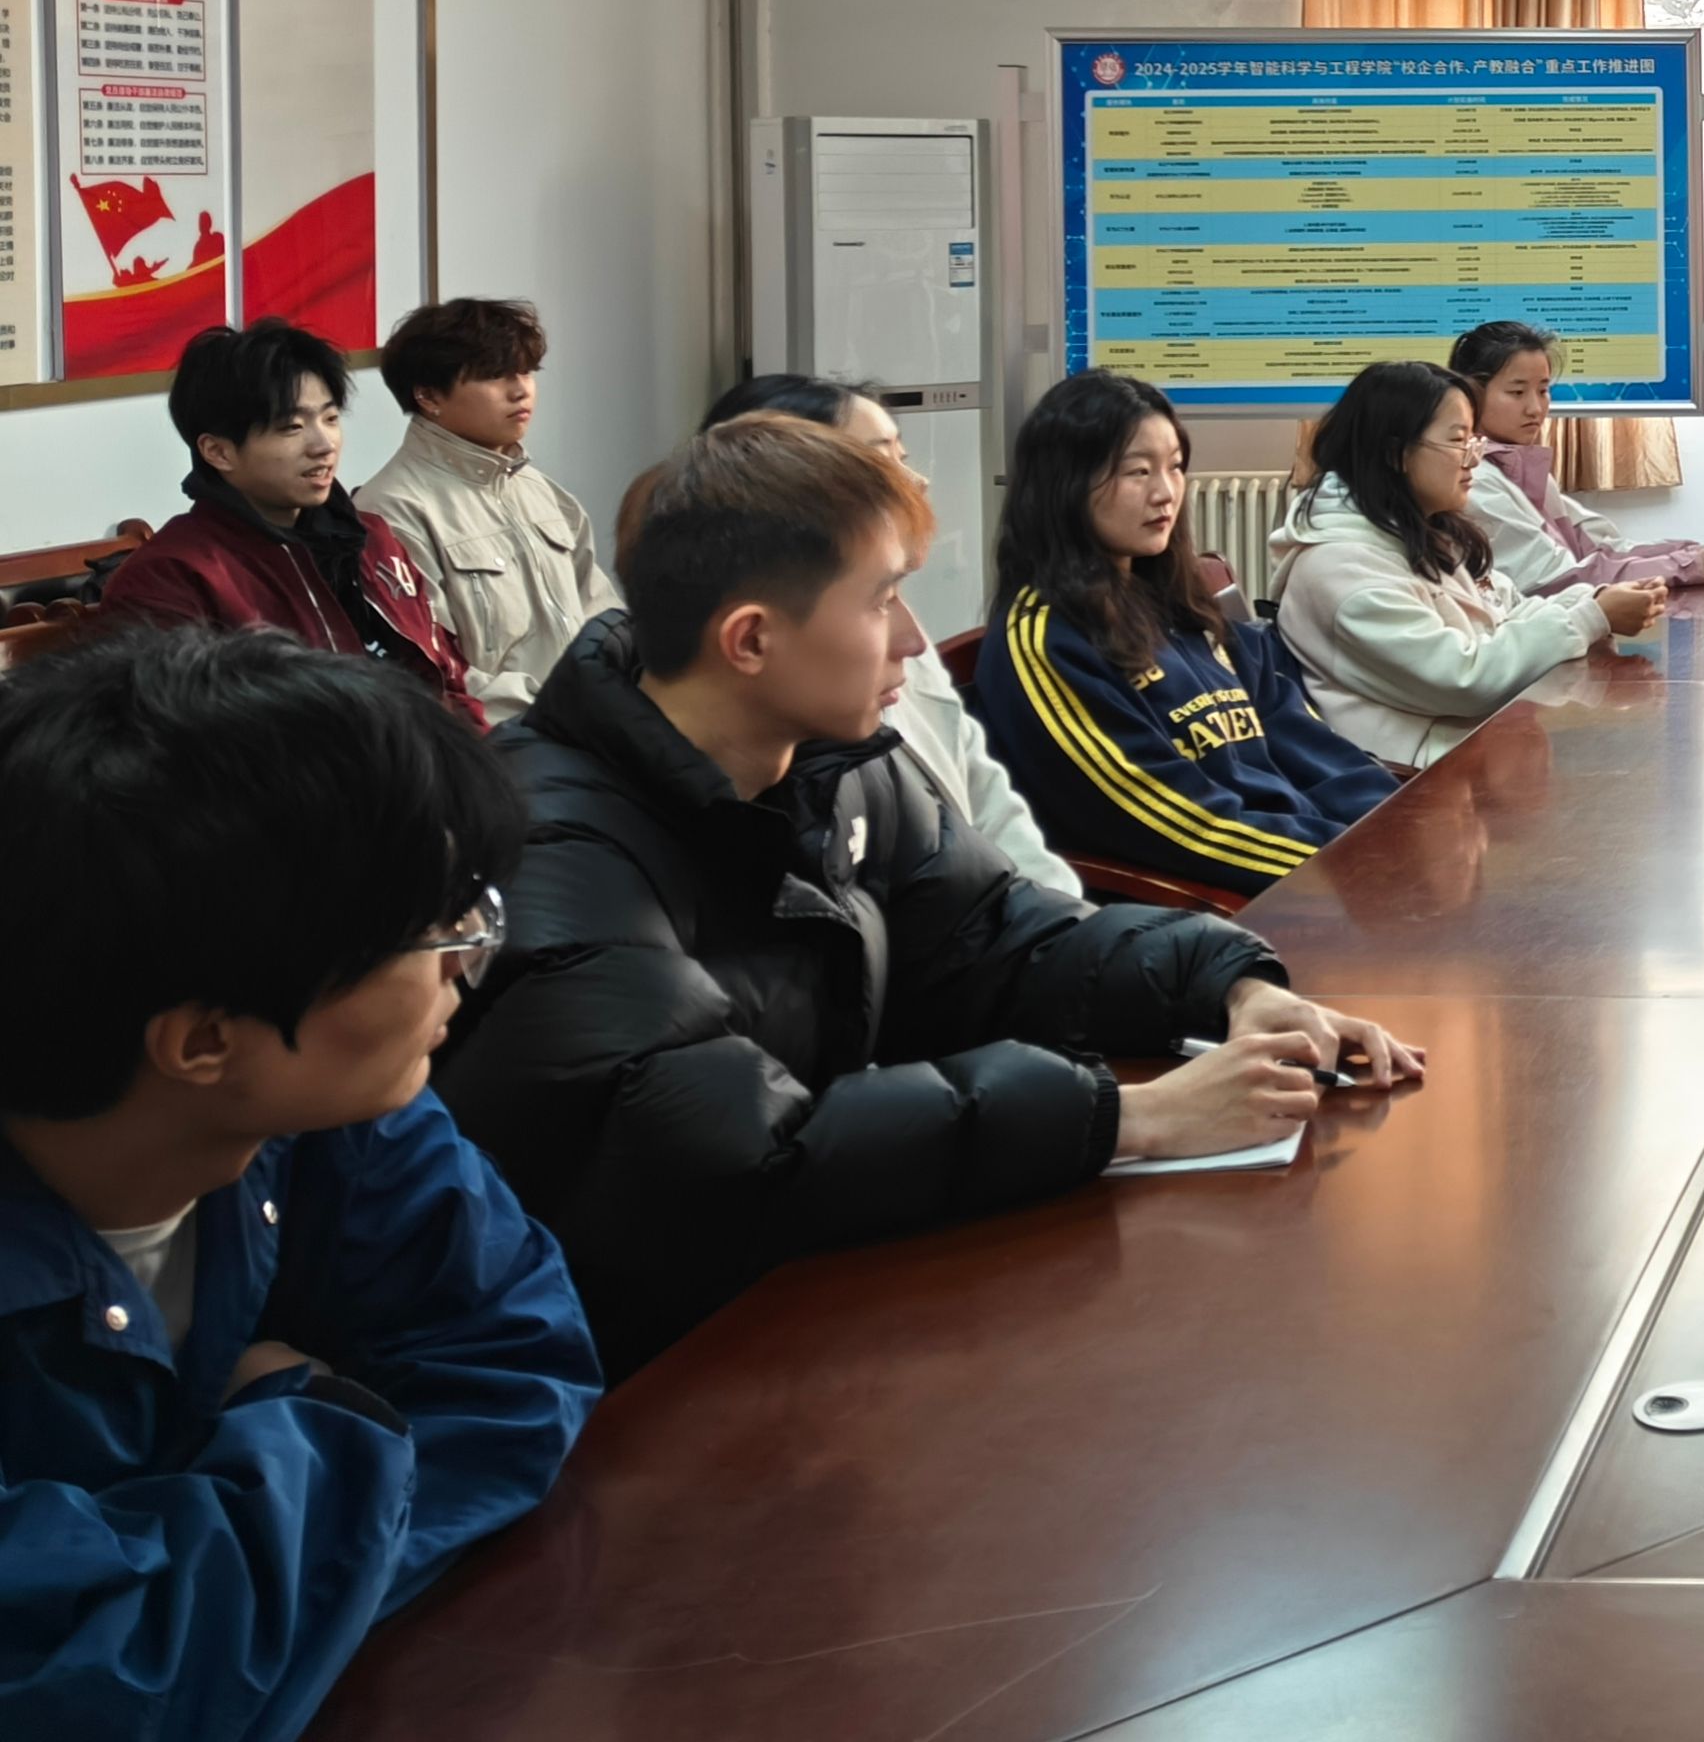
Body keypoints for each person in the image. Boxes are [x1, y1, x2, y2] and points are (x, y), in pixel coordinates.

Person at [434, 418, 1414, 1374]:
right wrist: (1129, 1118)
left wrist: (1230, 983)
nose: (912, 638)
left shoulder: (836, 763)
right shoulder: (549, 841)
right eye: (882, 601)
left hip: (813, 1292)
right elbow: (733, 1154)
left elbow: (998, 937)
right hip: (629, 1366)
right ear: (750, 640)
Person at [1, 628, 596, 1734]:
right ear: (204, 1042)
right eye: (435, 927)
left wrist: (230, 1578)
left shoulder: (333, 1114)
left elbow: (518, 1367)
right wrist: (310, 1414)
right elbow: (75, 1689)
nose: (471, 956)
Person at [969, 369, 1402, 900]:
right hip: (1226, 904)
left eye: (1174, 467)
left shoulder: (1183, 607)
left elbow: (1308, 741)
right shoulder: (1046, 639)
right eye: (1137, 472)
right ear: (1067, 484)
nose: (1165, 493)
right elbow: (1170, 822)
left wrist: (1404, 827)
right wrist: (1355, 868)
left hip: (1315, 867)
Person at [707, 374, 1081, 903]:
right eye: (882, 463)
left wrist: (1064, 917)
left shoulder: (901, 632)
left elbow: (991, 809)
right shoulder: (773, 709)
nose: (917, 483)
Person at [1277, 359, 1666, 773]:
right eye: (1459, 441)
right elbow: (1464, 679)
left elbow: (1508, 609)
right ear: (1396, 453)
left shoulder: (1419, 532)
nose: (1474, 460)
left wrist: (1594, 601)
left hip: (1470, 745)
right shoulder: (1342, 572)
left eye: (1474, 441)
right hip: (1407, 780)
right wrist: (1591, 617)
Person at [103, 319, 477, 721]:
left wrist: (470, 749)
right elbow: (173, 737)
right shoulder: (171, 578)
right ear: (218, 452)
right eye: (292, 427)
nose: (324, 445)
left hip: (434, 751)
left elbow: (448, 679)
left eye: (330, 418)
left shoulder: (371, 538)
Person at [357, 296, 625, 721]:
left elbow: (602, 615)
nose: (521, 390)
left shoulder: (541, 491)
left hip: (591, 725)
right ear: (428, 395)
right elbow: (438, 674)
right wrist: (569, 712)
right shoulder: (391, 510)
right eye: (494, 375)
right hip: (500, 740)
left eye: (527, 371)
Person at [1447, 320, 1704, 595]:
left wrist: (1689, 554)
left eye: (1543, 390)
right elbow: (1557, 579)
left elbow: (1599, 547)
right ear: (1469, 394)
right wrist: (1685, 567)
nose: (1535, 408)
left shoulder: (1517, 467)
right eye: (1517, 392)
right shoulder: (1473, 480)